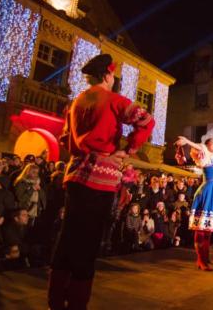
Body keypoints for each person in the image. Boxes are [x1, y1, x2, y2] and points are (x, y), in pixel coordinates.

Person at [48, 54, 154, 309]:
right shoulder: (112, 99)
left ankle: (55, 300)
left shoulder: (76, 102)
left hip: (75, 173)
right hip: (100, 177)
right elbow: (147, 121)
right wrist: (128, 150)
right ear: (108, 75)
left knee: (68, 237)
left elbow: (64, 138)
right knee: (89, 241)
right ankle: (76, 303)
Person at [175, 129, 213, 271]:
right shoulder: (205, 154)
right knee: (201, 228)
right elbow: (199, 146)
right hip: (207, 191)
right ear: (207, 145)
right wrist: (186, 141)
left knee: (208, 228)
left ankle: (205, 256)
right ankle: (200, 260)